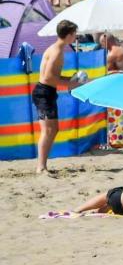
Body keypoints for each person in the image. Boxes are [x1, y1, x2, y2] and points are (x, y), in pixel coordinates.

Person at [33, 20, 78, 175]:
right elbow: (48, 78)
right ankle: (41, 167)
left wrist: (70, 80)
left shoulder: (56, 48)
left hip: (46, 92)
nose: (76, 37)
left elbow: (53, 76)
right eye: (75, 34)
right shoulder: (57, 51)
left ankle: (43, 165)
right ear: (69, 35)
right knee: (48, 130)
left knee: (53, 129)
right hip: (44, 92)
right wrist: (69, 84)